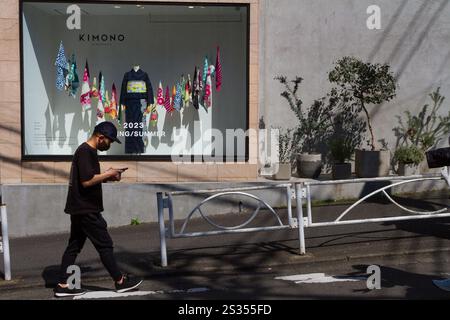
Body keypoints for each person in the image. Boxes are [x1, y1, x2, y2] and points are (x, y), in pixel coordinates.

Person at [54, 121, 142, 297]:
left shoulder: (87, 151)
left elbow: (90, 179)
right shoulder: (85, 152)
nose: (109, 145)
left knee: (74, 246)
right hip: (86, 209)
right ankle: (120, 281)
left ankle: (63, 285)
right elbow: (86, 181)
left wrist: (109, 177)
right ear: (100, 137)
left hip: (80, 207)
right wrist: (108, 173)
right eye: (109, 141)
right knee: (105, 245)